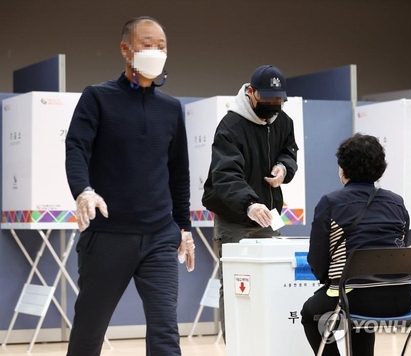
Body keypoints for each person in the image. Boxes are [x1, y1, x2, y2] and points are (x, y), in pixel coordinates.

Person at [65, 16, 195, 356]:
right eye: (147, 43)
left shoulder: (171, 109)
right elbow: (76, 148)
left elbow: (178, 171)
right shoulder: (97, 98)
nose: (156, 50)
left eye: (162, 45)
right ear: (126, 50)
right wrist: (83, 190)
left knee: (166, 332)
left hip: (159, 237)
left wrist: (184, 227)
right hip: (108, 235)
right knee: (89, 332)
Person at [202, 65, 299, 338]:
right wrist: (249, 204)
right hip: (235, 218)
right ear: (251, 92)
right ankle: (236, 343)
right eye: (267, 99)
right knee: (236, 283)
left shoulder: (283, 122)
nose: (273, 105)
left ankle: (266, 340)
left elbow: (289, 152)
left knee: (271, 279)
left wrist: (284, 168)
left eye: (278, 100)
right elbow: (225, 175)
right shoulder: (230, 126)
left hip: (268, 216)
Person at [301, 134, 411, 356]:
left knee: (311, 313)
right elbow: (400, 249)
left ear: (343, 169)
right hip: (401, 297)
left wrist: (327, 279)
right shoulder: (396, 202)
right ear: (380, 168)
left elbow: (317, 259)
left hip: (354, 298)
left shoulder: (331, 203)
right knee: (358, 299)